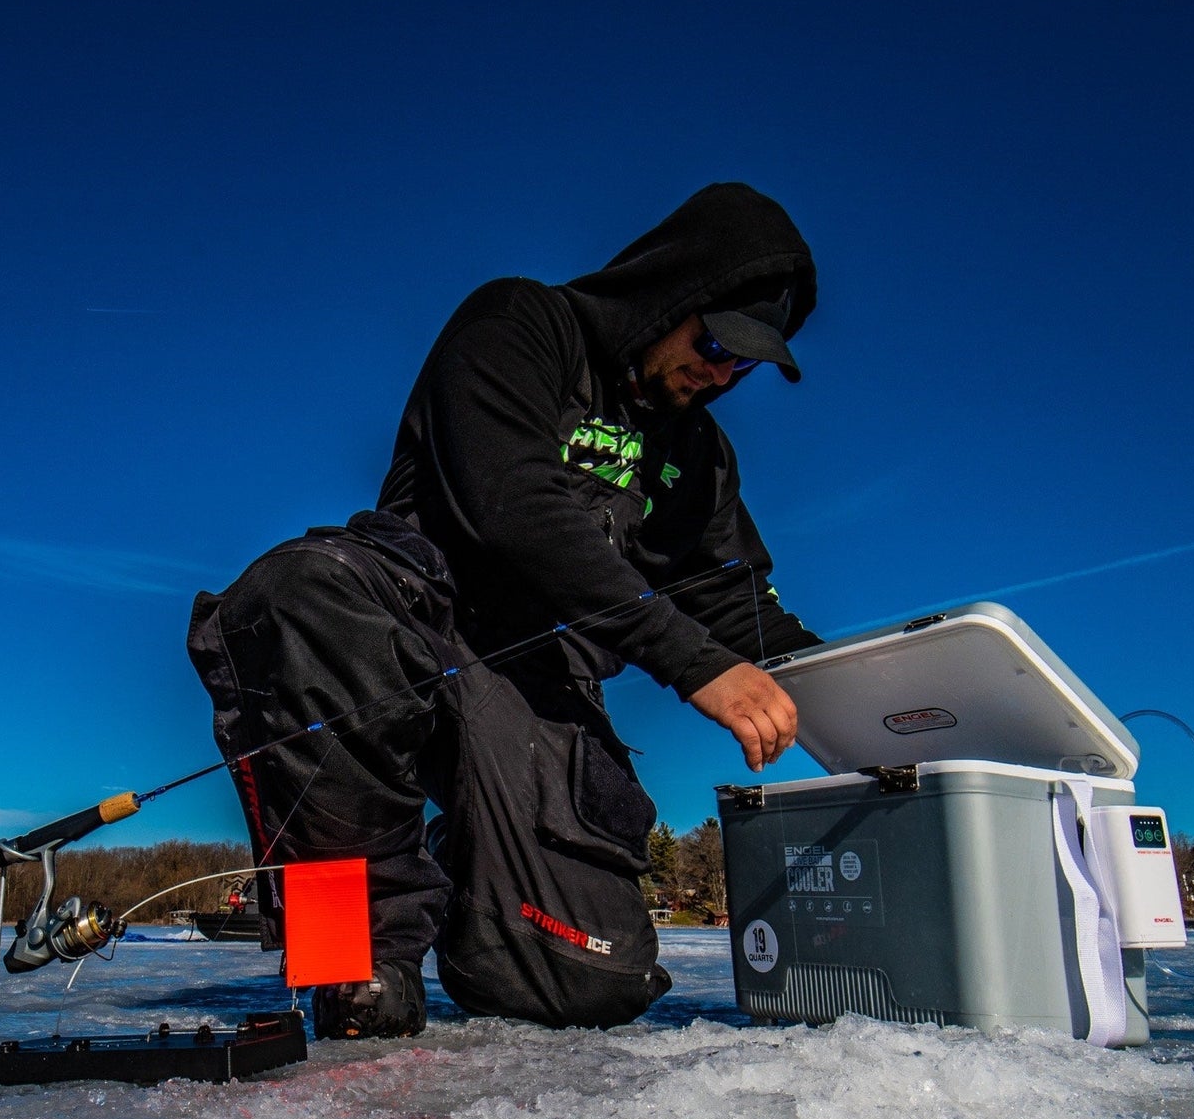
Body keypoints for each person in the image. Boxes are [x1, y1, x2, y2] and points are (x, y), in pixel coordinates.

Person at [188, 183, 824, 1038]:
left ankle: (471, 873)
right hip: (409, 620)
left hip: (533, 687)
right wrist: (695, 666)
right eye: (714, 341)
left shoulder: (700, 455)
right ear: (665, 295)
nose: (720, 372)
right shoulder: (524, 325)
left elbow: (732, 598)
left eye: (742, 364)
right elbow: (513, 503)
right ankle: (355, 956)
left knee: (589, 983)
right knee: (309, 591)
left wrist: (866, 693)